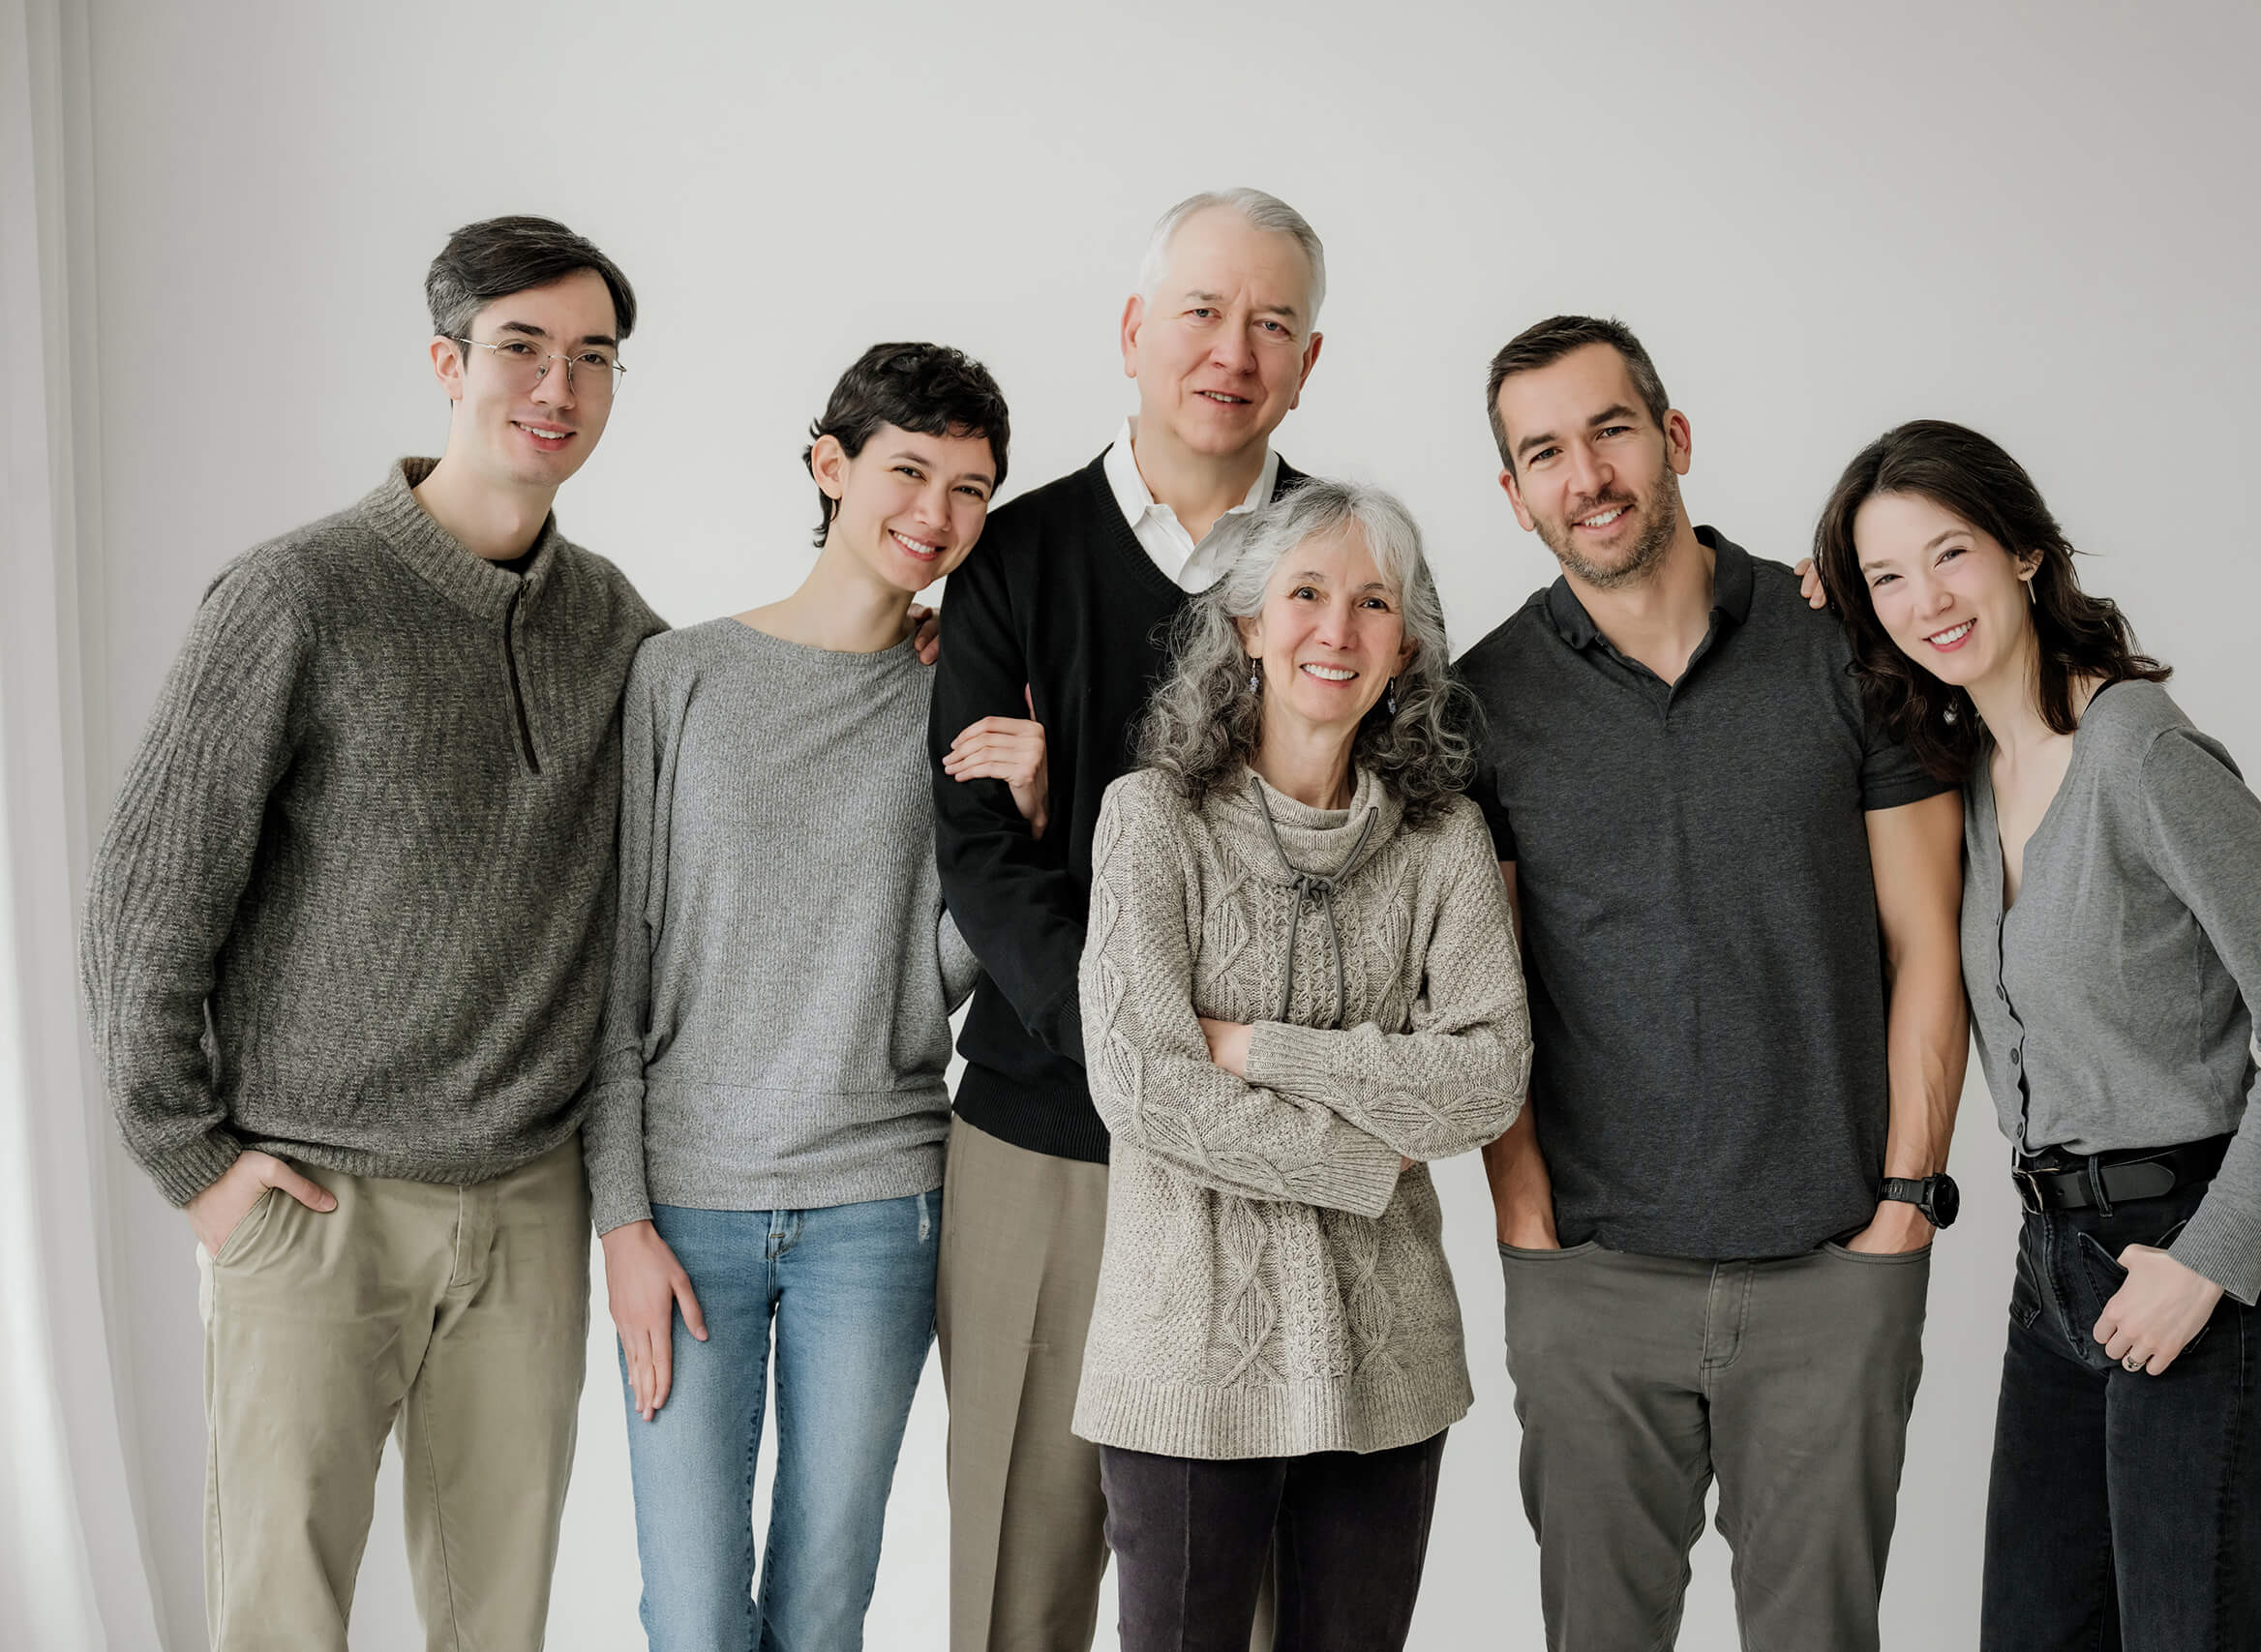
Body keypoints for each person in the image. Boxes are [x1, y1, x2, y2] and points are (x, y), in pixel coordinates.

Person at [77, 216, 661, 1650]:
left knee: (495, 1622)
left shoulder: (616, 625)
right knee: (281, 1615)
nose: (558, 387)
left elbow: (730, 743)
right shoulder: (299, 595)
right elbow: (149, 896)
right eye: (523, 347)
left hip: (525, 1203)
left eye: (593, 357)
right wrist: (195, 1162)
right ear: (445, 362)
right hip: (313, 1203)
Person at [1803, 419, 2261, 1651]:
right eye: (1886, 576)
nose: (1923, 601)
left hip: (2196, 1259)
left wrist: (2209, 1263)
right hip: (2052, 1265)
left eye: (1949, 555)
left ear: (2024, 551)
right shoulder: (1958, 768)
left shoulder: (2140, 754)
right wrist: (1818, 585)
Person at [1457, 315, 1968, 1651]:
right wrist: (1527, 1226)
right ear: (1514, 497)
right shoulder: (1483, 703)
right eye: (1546, 451)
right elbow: (1486, 989)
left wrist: (1907, 1205)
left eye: (1612, 428)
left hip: (1831, 1264)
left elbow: (1930, 941)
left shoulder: (1843, 651)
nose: (1590, 474)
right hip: (1594, 1277)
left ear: (1673, 438)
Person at [585, 343, 1035, 1651]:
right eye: (910, 469)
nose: (937, 514)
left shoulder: (954, 701)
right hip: (685, 1208)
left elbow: (950, 959)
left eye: (971, 488)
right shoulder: (682, 678)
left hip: (879, 1207)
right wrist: (619, 1216)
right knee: (692, 1611)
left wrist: (1029, 814)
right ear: (831, 465)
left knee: (826, 1603)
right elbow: (615, 964)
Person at [928, 186, 1326, 1652]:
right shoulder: (1013, 561)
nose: (1233, 349)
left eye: (1271, 321)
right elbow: (983, 853)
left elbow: (1379, 837)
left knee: (1250, 1586)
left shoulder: (1339, 573)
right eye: (1203, 312)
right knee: (1017, 1582)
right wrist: (1132, 1049)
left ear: (1310, 356)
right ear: (1134, 331)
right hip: (1048, 1133)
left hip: (1269, 1135)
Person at [1076, 479, 1529, 1651]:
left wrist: (1261, 1049)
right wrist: (1363, 1160)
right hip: (1185, 1350)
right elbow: (1138, 1082)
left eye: (1371, 602)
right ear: (1245, 626)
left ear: (1406, 645)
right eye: (1307, 594)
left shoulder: (1443, 840)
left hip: (1391, 1362)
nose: (1337, 629)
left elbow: (1488, 1077)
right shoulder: (1151, 818)